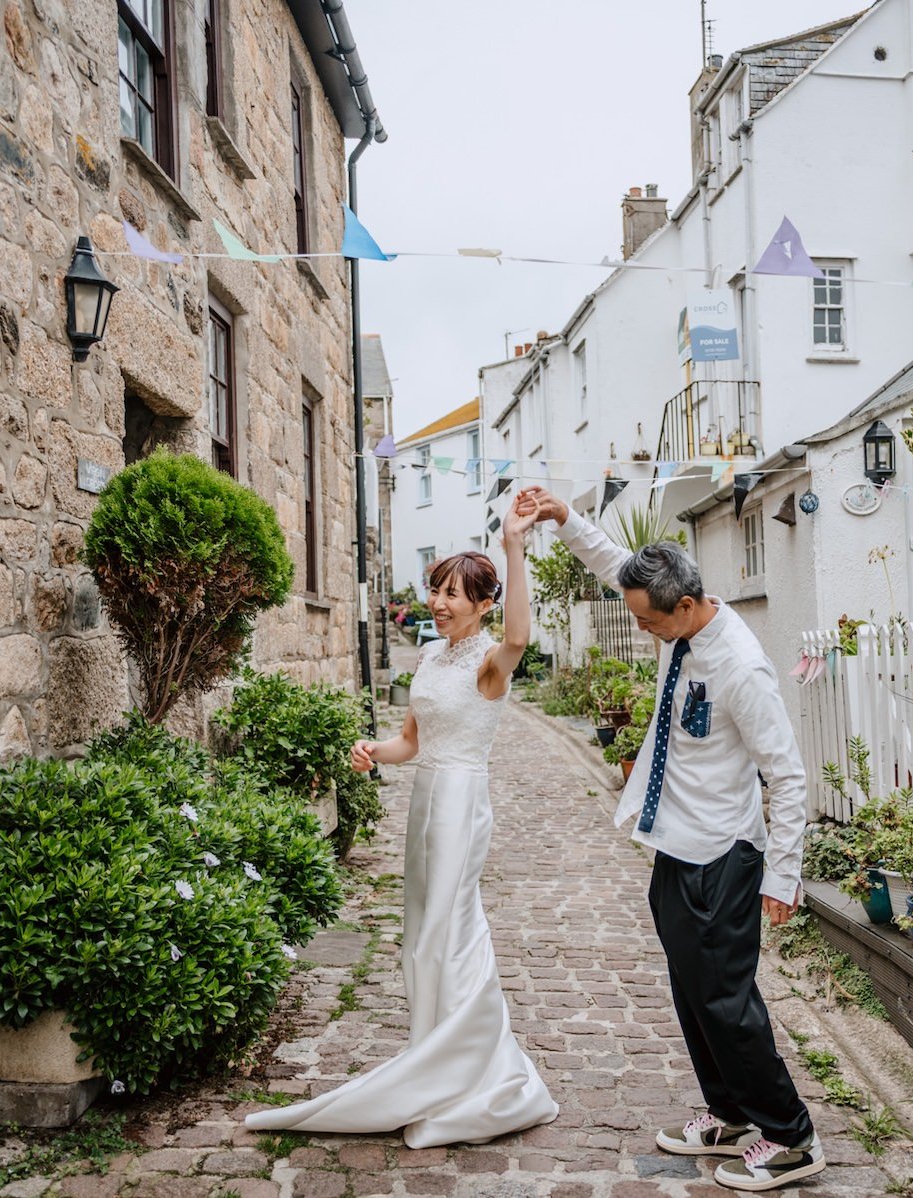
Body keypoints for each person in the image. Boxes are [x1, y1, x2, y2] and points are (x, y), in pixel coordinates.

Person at [513, 486, 823, 1192]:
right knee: (691, 994)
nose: (643, 630)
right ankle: (730, 1113)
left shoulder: (740, 667)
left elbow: (789, 774)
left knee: (727, 1002)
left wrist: (783, 874)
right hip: (675, 847)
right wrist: (564, 519)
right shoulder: (674, 616)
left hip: (724, 855)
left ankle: (792, 1136)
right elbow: (613, 561)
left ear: (684, 606)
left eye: (648, 622)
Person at [243, 504, 558, 1147]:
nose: (439, 603)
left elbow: (522, 637)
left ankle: (466, 1062)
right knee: (420, 930)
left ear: (484, 604)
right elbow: (413, 740)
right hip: (424, 800)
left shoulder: (490, 665)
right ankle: (431, 1047)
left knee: (452, 923)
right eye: (437, 590)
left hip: (463, 801)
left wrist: (513, 546)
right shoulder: (432, 660)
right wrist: (371, 750)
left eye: (454, 594)